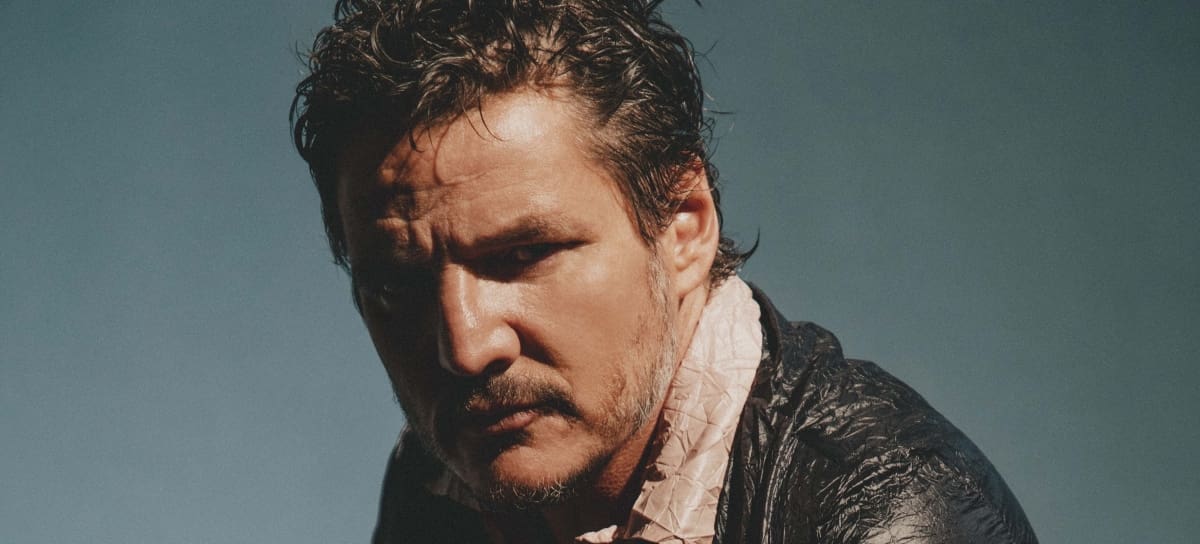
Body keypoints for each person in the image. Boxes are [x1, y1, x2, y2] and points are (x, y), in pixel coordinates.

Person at [290, 1, 1038, 542]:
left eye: (521, 256)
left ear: (684, 226)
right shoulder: (443, 478)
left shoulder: (885, 523)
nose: (464, 347)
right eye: (397, 287)